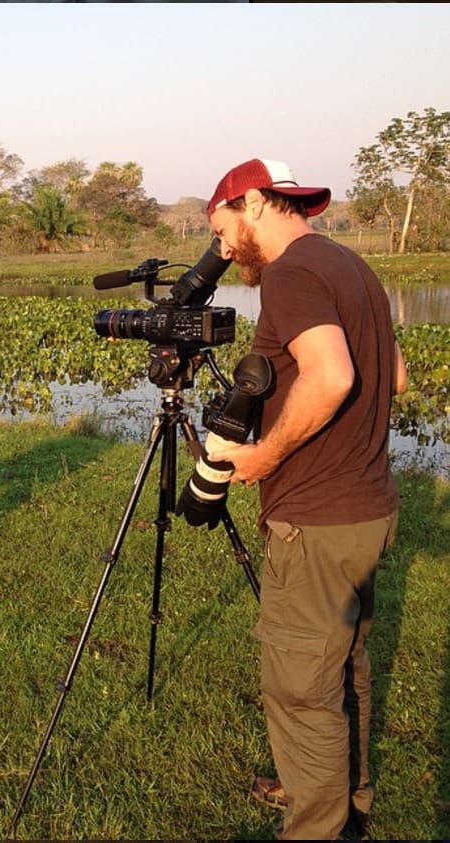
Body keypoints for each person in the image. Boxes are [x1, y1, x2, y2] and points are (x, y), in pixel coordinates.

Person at [202, 159, 408, 840]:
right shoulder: (348, 264)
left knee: (300, 686)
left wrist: (263, 454)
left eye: (222, 229)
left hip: (318, 516)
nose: (223, 249)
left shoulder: (291, 273)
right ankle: (342, 797)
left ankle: (316, 826)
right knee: (341, 663)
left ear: (253, 202)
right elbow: (396, 376)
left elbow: (331, 374)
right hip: (366, 504)